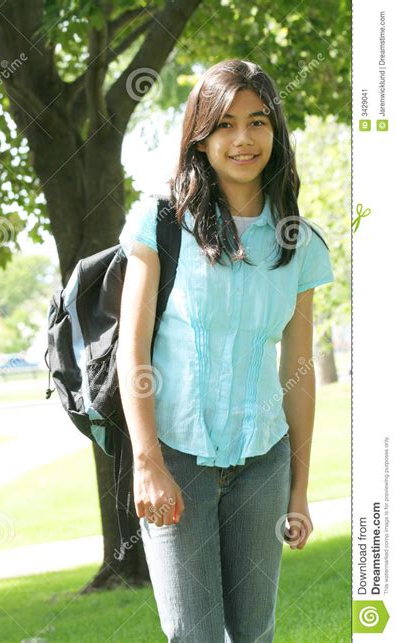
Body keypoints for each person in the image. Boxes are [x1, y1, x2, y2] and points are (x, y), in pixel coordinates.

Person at [116, 58, 335, 642]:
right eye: (225, 124)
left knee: (254, 633)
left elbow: (299, 370)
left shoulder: (300, 244)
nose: (242, 138)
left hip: (263, 459)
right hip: (175, 457)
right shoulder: (161, 222)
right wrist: (147, 463)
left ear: (275, 132)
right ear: (200, 137)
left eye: (258, 121)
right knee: (195, 635)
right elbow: (132, 348)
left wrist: (299, 490)